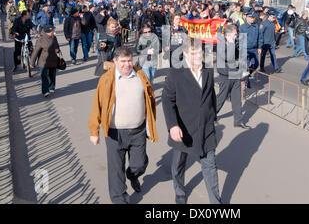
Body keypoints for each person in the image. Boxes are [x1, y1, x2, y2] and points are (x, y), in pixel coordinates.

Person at [88, 46, 158, 204]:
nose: (127, 64)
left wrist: (150, 124)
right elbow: (97, 106)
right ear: (115, 61)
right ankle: (120, 200)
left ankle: (133, 175)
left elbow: (150, 99)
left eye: (129, 61)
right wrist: (94, 130)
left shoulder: (141, 75)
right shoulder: (106, 79)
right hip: (115, 133)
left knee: (139, 164)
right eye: (123, 61)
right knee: (115, 171)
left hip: (137, 131)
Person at [162, 38, 222, 204]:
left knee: (210, 165)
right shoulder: (176, 73)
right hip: (184, 128)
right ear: (186, 54)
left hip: (206, 127)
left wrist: (214, 116)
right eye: (194, 53)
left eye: (200, 53)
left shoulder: (208, 70)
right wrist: (173, 125)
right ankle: (179, 191)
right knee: (179, 162)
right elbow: (167, 101)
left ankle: (216, 202)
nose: (197, 57)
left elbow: (211, 95)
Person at [216, 24, 250, 129]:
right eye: (235, 34)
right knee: (221, 99)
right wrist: (231, 45)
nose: (236, 36)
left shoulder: (234, 44)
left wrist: (243, 70)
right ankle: (210, 115)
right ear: (227, 35)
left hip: (235, 75)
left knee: (237, 99)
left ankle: (238, 121)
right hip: (225, 76)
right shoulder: (222, 45)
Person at [30, 25, 60, 98]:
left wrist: (57, 49)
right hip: (43, 61)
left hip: (53, 60)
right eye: (53, 30)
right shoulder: (41, 40)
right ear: (49, 32)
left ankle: (51, 87)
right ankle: (45, 91)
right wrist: (32, 63)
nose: (54, 31)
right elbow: (35, 52)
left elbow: (57, 46)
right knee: (44, 76)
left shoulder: (54, 38)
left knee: (52, 75)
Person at [239, 11, 263, 88]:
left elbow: (260, 37)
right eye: (251, 18)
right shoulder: (242, 27)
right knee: (246, 65)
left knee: (256, 64)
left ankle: (248, 74)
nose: (253, 19)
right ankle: (247, 82)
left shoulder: (256, 26)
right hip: (245, 49)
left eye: (253, 18)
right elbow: (240, 39)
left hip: (254, 49)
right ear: (247, 18)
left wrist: (259, 47)